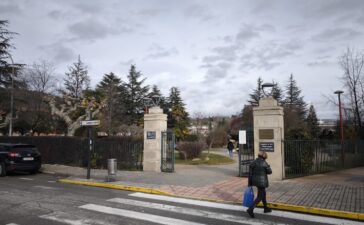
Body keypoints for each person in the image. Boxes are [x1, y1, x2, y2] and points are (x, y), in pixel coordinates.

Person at [247, 151, 272, 218]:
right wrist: (268, 166)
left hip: (255, 181)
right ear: (264, 156)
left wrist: (249, 183)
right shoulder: (264, 163)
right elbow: (270, 172)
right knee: (260, 197)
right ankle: (250, 209)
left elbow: (250, 174)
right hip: (262, 182)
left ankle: (265, 208)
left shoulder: (253, 162)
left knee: (263, 194)